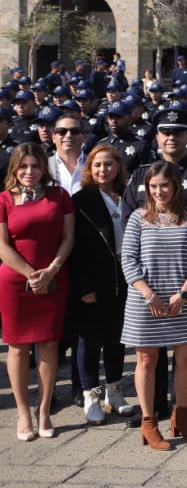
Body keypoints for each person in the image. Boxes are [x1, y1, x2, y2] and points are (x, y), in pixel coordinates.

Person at [121, 161, 187, 449]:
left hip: (179, 300)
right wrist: (149, 295)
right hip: (145, 301)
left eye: (164, 185)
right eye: (153, 186)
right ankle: (149, 423)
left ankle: (181, 416)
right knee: (147, 360)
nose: (159, 191)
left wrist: (183, 293)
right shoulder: (138, 218)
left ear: (175, 186)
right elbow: (128, 260)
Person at [0, 143, 75, 440]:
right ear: (14, 169)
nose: (29, 172)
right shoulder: (4, 199)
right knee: (17, 347)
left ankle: (44, 410)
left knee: (49, 344)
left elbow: (68, 238)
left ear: (44, 168)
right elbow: (2, 245)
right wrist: (31, 275)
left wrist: (51, 270)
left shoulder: (60, 196)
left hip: (53, 279)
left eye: (35, 166)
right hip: (15, 282)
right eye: (23, 166)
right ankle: (22, 413)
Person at [69, 144, 138, 425]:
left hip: (124, 277)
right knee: (90, 341)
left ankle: (114, 392)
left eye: (109, 164)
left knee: (116, 338)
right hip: (93, 279)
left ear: (118, 166)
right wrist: (84, 286)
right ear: (89, 168)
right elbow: (75, 248)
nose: (103, 170)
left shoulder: (128, 195)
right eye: (97, 165)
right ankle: (92, 396)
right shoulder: (81, 200)